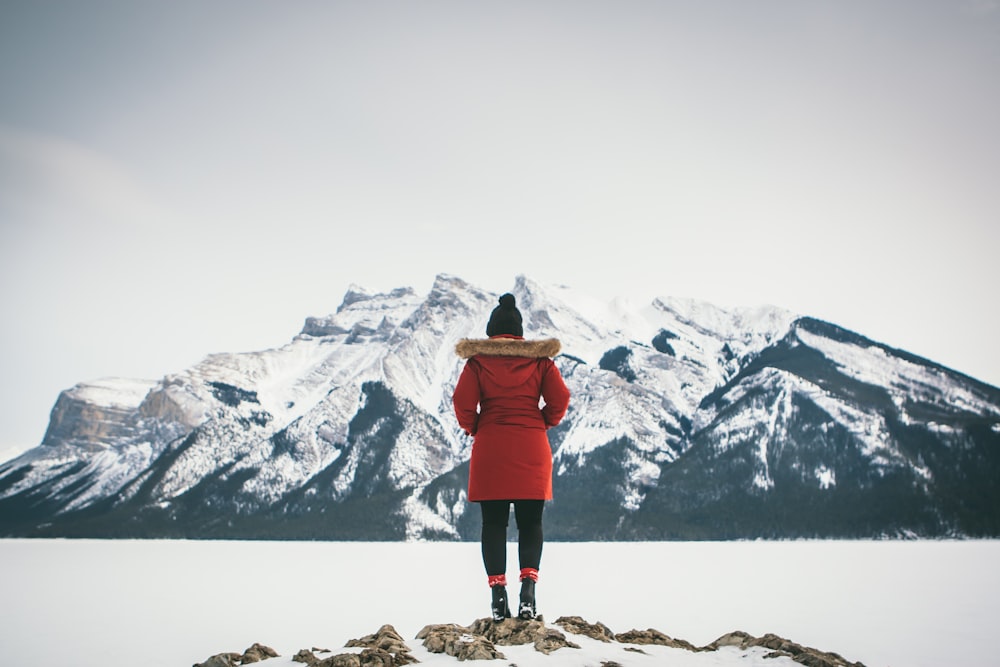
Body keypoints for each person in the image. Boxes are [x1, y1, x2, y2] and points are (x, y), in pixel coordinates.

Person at [452, 293, 571, 622]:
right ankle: (529, 591)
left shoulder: (477, 363)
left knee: (493, 523)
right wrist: (543, 421)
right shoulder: (541, 362)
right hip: (532, 448)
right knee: (531, 523)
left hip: (491, 448)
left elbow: (462, 402)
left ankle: (497, 594)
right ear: (519, 332)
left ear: (491, 333)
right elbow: (560, 398)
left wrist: (475, 426)